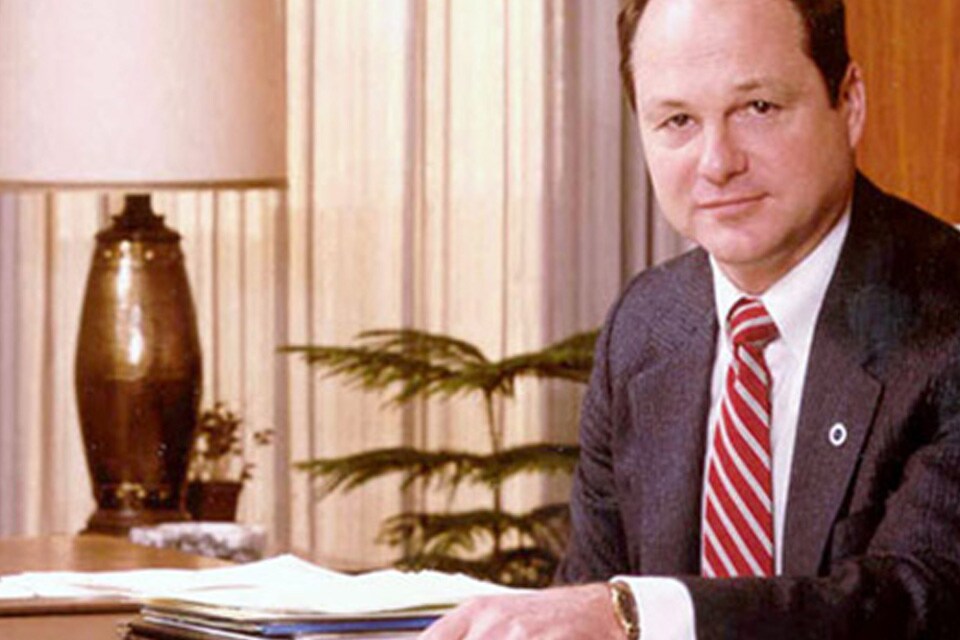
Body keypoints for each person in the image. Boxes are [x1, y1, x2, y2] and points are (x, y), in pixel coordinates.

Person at [420, 0, 960, 637]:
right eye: (677, 120)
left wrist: (636, 615)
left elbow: (922, 604)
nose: (717, 162)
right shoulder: (645, 325)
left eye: (757, 108)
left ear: (849, 102)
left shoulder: (944, 316)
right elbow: (586, 597)